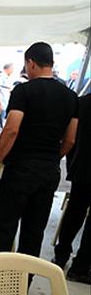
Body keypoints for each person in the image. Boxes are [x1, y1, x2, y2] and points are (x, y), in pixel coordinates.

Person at [0, 42, 78, 258]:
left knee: (5, 227)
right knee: (34, 231)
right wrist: (52, 157)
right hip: (49, 171)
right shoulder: (70, 96)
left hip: (21, 169)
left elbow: (11, 130)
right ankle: (24, 277)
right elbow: (70, 139)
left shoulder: (24, 91)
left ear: (31, 63)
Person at [51, 93, 90, 284]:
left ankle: (61, 255)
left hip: (82, 167)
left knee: (74, 213)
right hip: (82, 166)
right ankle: (81, 266)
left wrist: (73, 161)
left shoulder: (82, 102)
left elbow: (70, 137)